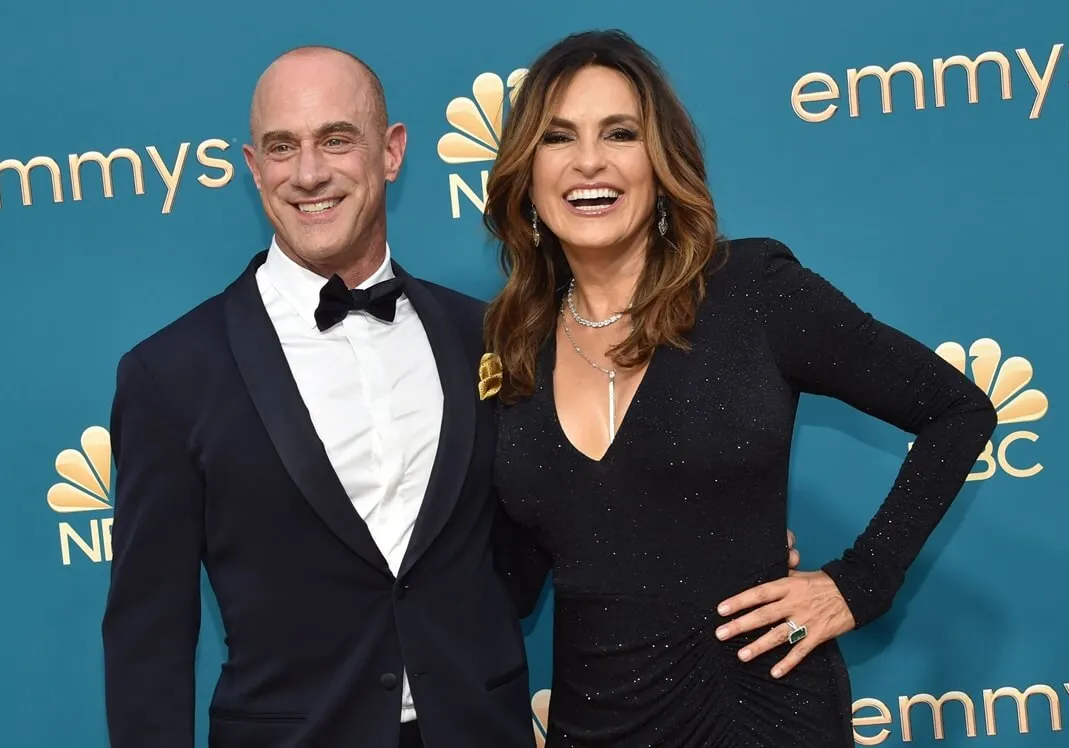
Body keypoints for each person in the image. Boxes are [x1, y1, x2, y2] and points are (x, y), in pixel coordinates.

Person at [481, 29, 998, 747]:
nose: (589, 161)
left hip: (758, 713)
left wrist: (860, 583)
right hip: (590, 723)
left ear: (661, 165)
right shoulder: (509, 348)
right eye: (558, 137)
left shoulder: (751, 292)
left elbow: (958, 409)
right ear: (527, 173)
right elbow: (508, 575)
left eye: (621, 133)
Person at [100, 46, 536, 748]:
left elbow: (549, 530)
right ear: (252, 167)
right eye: (282, 148)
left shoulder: (483, 335)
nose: (308, 173)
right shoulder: (170, 375)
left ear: (391, 152)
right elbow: (148, 639)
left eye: (337, 139)